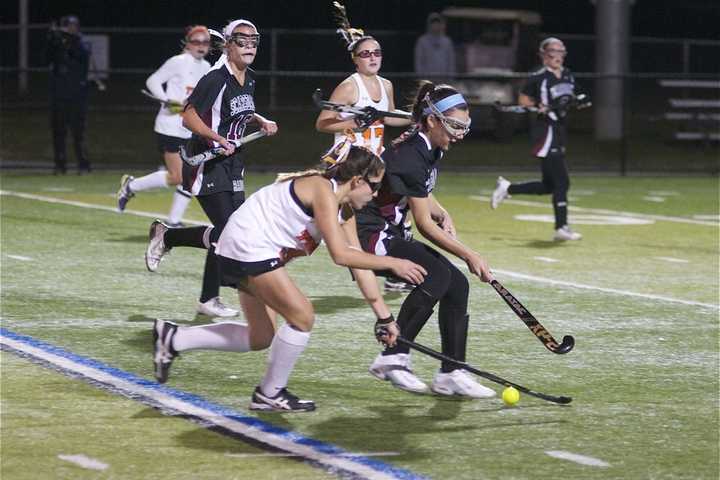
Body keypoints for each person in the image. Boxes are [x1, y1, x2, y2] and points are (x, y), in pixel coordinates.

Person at [150, 145, 427, 412]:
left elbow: (357, 262)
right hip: (248, 246)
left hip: (247, 247)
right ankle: (270, 393)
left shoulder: (343, 209)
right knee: (302, 316)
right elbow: (341, 255)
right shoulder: (322, 190)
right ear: (356, 181)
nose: (376, 195)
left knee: (260, 337)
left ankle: (174, 339)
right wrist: (393, 262)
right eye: (374, 186)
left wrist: (384, 317)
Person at [355, 81, 496, 399]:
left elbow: (421, 195)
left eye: (464, 127)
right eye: (454, 125)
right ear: (432, 120)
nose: (459, 134)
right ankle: (391, 357)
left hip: (391, 229)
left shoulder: (430, 145)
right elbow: (423, 226)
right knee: (436, 275)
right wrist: (470, 255)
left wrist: (441, 210)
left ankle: (451, 373)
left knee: (457, 285)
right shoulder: (410, 154)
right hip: (369, 234)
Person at [144, 19, 278, 318]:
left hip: (233, 164)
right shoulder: (215, 77)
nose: (249, 46)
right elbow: (188, 117)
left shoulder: (249, 77)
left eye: (254, 41)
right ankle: (211, 289)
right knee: (231, 232)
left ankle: (169, 241)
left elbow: (238, 108)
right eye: (241, 41)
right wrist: (216, 138)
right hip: (206, 162)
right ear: (228, 45)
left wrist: (261, 120)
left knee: (230, 230)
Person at [316, 5, 413, 292]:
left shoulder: (386, 84)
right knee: (351, 221)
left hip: (376, 162)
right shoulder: (349, 86)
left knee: (397, 206)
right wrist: (356, 122)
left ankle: (390, 271)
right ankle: (366, 267)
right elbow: (322, 123)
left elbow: (390, 116)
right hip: (350, 163)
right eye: (365, 54)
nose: (372, 58)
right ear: (355, 60)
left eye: (376, 53)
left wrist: (416, 117)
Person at [490, 37, 586, 241]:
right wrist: (538, 105)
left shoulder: (568, 75)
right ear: (543, 55)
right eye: (553, 52)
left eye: (561, 52)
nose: (557, 56)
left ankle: (508, 188)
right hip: (546, 131)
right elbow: (524, 101)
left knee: (549, 186)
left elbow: (568, 99)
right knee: (562, 182)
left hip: (559, 131)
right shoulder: (538, 77)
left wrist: (576, 102)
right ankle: (562, 227)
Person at [116, 26, 211, 226]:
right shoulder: (177, 62)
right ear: (187, 42)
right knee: (178, 176)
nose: (201, 46)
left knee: (191, 174)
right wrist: (166, 99)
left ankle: (174, 221)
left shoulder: (206, 67)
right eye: (196, 41)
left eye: (205, 42)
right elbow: (153, 81)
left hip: (190, 128)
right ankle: (131, 186)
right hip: (170, 126)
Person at [46, 15, 92, 175]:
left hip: (77, 96)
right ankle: (60, 164)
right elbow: (48, 58)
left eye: (73, 26)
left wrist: (66, 39)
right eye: (67, 26)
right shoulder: (58, 44)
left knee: (78, 133)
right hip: (59, 95)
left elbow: (80, 55)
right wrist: (54, 39)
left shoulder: (81, 42)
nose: (70, 29)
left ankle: (83, 164)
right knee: (58, 132)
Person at [414, 13, 456, 82]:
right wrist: (421, 78)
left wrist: (451, 78)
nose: (435, 25)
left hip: (444, 80)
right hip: (427, 80)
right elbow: (419, 61)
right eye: (433, 23)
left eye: (438, 23)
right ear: (429, 25)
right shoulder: (422, 41)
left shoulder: (447, 41)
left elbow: (451, 61)